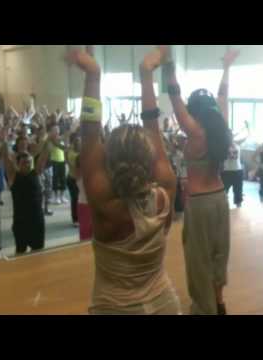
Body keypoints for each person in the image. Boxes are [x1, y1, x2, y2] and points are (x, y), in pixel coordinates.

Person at [66, 45, 181, 315]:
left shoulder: (103, 202)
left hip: (115, 308)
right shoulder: (166, 191)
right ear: (150, 159)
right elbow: (152, 126)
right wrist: (146, 75)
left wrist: (93, 75)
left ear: (109, 163)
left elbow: (89, 131)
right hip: (164, 304)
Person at [163, 46, 237, 315]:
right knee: (219, 254)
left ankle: (203, 310)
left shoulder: (194, 131)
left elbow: (174, 97)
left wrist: (169, 66)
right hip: (220, 198)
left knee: (199, 260)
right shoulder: (222, 127)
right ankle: (218, 303)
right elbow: (224, 95)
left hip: (200, 203)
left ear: (195, 110)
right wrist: (227, 67)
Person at [2, 130, 51, 255]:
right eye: (24, 163)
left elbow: (44, 156)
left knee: (38, 252)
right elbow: (6, 159)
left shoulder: (36, 173)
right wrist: (4, 142)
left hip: (37, 220)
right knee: (20, 253)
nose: (27, 165)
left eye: (29, 162)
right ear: (18, 164)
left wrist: (47, 139)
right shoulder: (13, 176)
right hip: (20, 222)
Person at [221, 122, 249, 208]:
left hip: (238, 171)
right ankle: (223, 210)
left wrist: (247, 128)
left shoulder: (237, 143)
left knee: (238, 192)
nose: (230, 136)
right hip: (226, 172)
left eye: (231, 134)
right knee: (223, 192)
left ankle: (238, 208)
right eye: (228, 134)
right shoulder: (223, 145)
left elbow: (246, 137)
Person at [75, 155, 93, 241]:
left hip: (92, 204)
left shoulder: (92, 172)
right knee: (85, 233)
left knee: (94, 231)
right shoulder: (79, 172)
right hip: (84, 205)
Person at [66, 132, 81, 227]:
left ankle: (79, 217)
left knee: (79, 199)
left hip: (78, 179)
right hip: (72, 179)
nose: (81, 145)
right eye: (79, 143)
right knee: (75, 199)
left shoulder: (74, 152)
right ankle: (75, 219)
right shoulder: (72, 154)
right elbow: (78, 164)